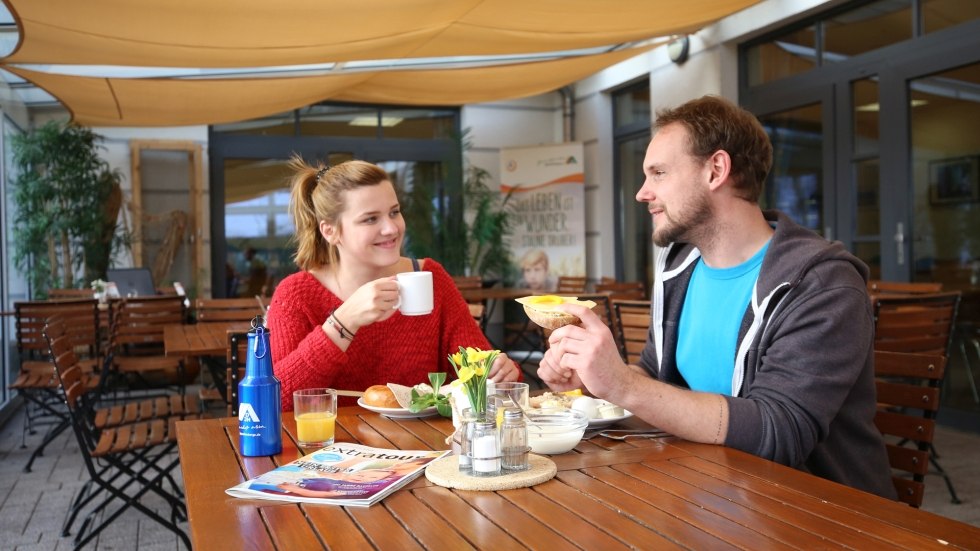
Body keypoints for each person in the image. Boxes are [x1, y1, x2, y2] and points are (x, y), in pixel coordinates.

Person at [537, 95, 896, 499]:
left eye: (658, 173)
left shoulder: (822, 284)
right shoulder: (680, 267)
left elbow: (780, 431)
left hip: (817, 511)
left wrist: (623, 386)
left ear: (716, 170)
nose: (642, 193)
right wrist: (596, 382)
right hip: (705, 491)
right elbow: (655, 377)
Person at [268, 157, 520, 411]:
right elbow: (276, 401)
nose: (391, 228)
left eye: (394, 212)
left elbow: (480, 374)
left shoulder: (430, 277)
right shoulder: (295, 295)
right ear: (330, 231)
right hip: (334, 437)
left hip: (425, 436)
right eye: (370, 219)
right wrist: (343, 321)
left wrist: (501, 373)